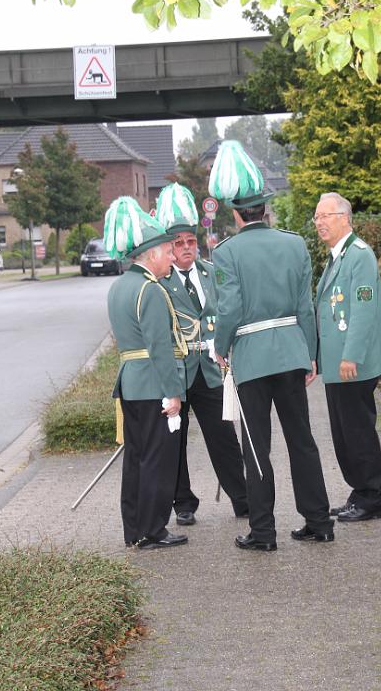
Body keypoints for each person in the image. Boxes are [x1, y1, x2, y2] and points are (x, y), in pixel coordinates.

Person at [209, 141, 333, 552]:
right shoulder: (294, 244)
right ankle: (319, 521)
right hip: (292, 353)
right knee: (302, 441)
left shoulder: (226, 253)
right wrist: (311, 354)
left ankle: (263, 532)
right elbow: (305, 306)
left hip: (251, 358)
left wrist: (220, 346)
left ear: (235, 213)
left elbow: (230, 308)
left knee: (256, 447)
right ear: (264, 209)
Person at [156, 183, 248, 524]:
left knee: (223, 436)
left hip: (209, 368)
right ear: (169, 247)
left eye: (190, 242)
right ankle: (183, 503)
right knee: (174, 440)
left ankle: (243, 498)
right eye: (178, 243)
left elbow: (227, 309)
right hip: (177, 370)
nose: (186, 248)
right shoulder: (161, 281)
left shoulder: (210, 273)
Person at [105, 196, 189, 550]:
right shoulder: (150, 290)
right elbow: (159, 348)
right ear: (151, 254)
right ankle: (154, 529)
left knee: (136, 460)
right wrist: (174, 392)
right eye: (168, 252)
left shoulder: (119, 286)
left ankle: (134, 529)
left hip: (131, 384)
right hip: (154, 385)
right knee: (157, 460)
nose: (172, 257)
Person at [314, 192, 381, 522]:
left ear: (345, 218)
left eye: (325, 216)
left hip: (352, 365)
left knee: (358, 431)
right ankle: (360, 491)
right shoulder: (339, 256)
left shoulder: (359, 255)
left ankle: (372, 497)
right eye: (317, 217)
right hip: (337, 364)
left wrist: (351, 356)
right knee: (344, 433)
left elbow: (363, 309)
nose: (319, 222)